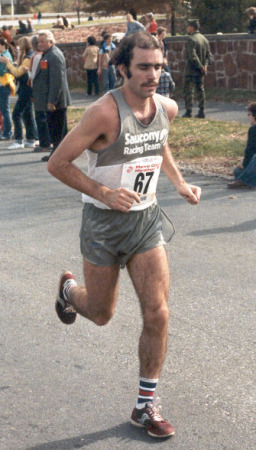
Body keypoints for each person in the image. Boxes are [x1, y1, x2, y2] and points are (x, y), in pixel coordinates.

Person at [47, 32, 201, 439]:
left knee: (159, 311)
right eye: (144, 67)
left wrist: (180, 183)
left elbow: (159, 143)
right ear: (123, 69)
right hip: (102, 223)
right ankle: (69, 292)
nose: (154, 75)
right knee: (101, 313)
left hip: (145, 221)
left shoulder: (167, 106)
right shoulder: (104, 112)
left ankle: (145, 405)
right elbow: (58, 163)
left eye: (158, 66)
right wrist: (102, 192)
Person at [33, 30, 71, 162]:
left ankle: (58, 156)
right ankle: (60, 154)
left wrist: (52, 101)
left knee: (57, 130)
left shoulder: (54, 55)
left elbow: (57, 81)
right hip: (50, 100)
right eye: (39, 42)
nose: (40, 44)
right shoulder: (47, 54)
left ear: (50, 41)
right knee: (56, 130)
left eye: (43, 41)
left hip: (56, 102)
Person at [0, 36, 37, 149]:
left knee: (16, 113)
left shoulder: (27, 57)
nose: (17, 49)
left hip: (26, 89)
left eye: (18, 46)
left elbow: (17, 73)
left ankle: (18, 140)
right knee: (27, 114)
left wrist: (8, 63)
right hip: (27, 88)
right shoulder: (28, 56)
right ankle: (31, 139)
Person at [182, 19, 212, 119]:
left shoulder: (191, 39)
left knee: (188, 90)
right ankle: (201, 110)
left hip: (191, 70)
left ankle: (188, 111)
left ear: (192, 27)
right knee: (200, 89)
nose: (187, 28)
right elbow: (209, 56)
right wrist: (205, 66)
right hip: (201, 70)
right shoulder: (204, 39)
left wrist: (200, 66)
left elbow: (192, 56)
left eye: (188, 26)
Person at [28, 35, 52, 154]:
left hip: (39, 89)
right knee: (43, 116)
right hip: (42, 89)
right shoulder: (41, 56)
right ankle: (46, 142)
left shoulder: (37, 57)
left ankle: (45, 143)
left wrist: (26, 71)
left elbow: (34, 75)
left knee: (40, 116)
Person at [228, 102, 256, 189]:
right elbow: (251, 149)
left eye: (249, 114)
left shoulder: (253, 129)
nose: (248, 117)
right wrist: (244, 162)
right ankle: (247, 180)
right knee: (237, 171)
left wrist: (245, 164)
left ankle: (242, 181)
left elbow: (250, 151)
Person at [0, 38, 16, 141]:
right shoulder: (6, 54)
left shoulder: (4, 56)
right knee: (4, 109)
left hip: (3, 84)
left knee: (5, 110)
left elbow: (2, 71)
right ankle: (6, 131)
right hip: (4, 84)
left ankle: (7, 132)